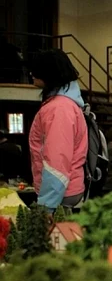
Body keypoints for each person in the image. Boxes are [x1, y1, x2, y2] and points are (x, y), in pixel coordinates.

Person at [27, 48, 87, 211]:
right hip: (65, 190)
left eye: (36, 70)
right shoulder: (65, 104)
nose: (31, 73)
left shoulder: (59, 108)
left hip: (60, 194)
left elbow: (57, 160)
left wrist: (46, 206)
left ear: (48, 73)